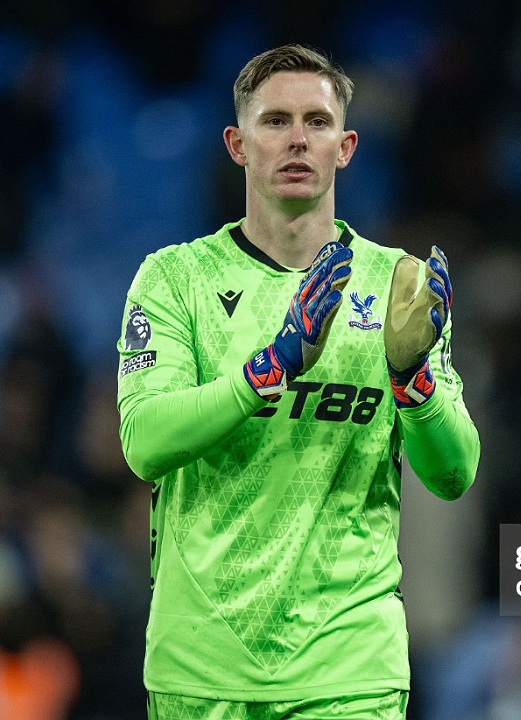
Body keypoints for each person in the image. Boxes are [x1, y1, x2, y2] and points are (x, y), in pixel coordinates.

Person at [115, 44, 480, 719]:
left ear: (345, 147)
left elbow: (454, 473)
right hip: (202, 668)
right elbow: (144, 441)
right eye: (274, 120)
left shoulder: (398, 287)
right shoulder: (174, 280)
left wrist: (412, 381)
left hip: (348, 668)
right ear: (237, 144)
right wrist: (270, 368)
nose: (296, 140)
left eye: (316, 122)